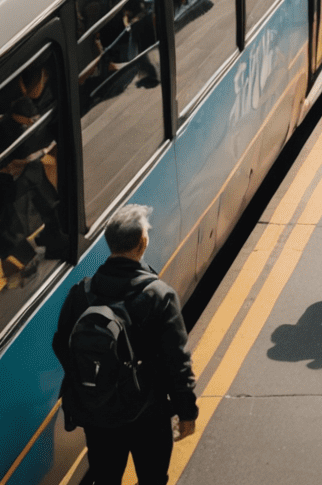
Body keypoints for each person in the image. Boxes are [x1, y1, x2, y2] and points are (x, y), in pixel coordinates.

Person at [52, 203, 197, 485]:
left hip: (98, 414)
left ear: (110, 244)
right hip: (149, 414)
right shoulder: (159, 296)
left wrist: (99, 380)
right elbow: (177, 361)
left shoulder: (81, 292)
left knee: (106, 479)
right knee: (153, 478)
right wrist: (186, 411)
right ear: (142, 242)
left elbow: (62, 345)